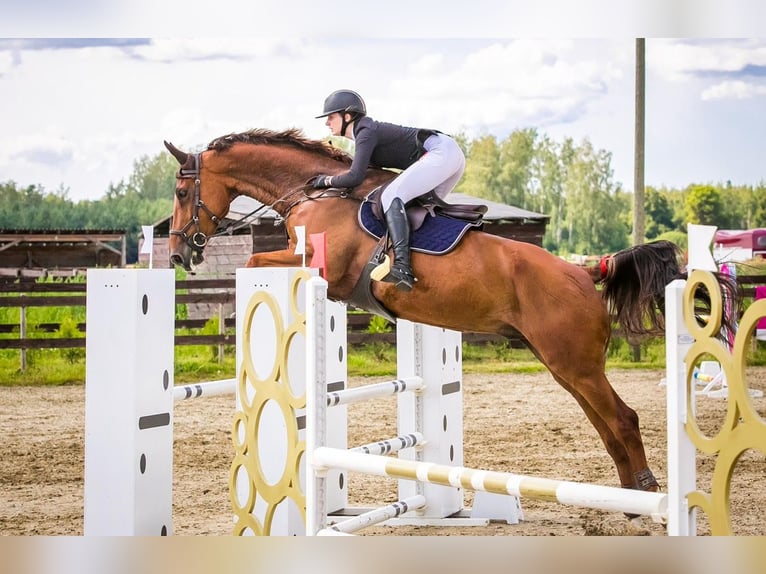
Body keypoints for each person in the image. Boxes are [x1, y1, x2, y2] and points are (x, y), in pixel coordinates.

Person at [313, 89, 466, 292]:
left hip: (440, 152)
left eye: (331, 117)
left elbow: (354, 177)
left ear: (347, 116)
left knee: (391, 196)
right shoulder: (365, 134)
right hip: (450, 156)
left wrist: (326, 180)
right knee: (418, 210)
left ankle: (402, 267)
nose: (327, 123)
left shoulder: (365, 131)